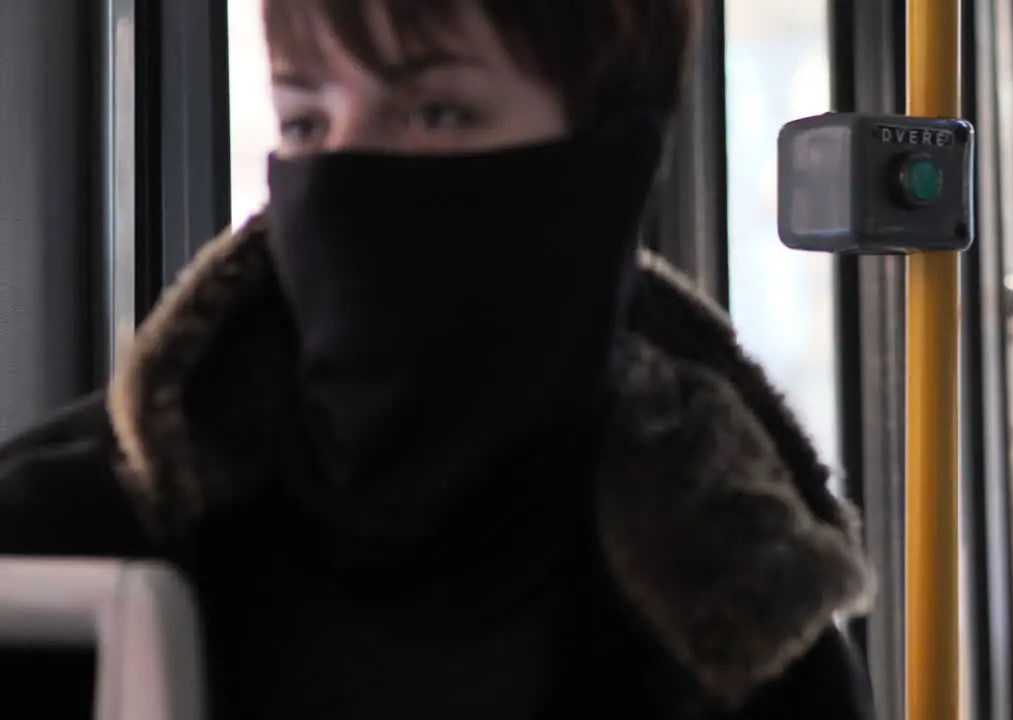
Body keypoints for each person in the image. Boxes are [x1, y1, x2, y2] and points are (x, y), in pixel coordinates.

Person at [0, 1, 878, 717]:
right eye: (306, 119)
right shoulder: (58, 556)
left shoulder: (746, 635)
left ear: (609, 159)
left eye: (436, 113)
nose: (345, 169)